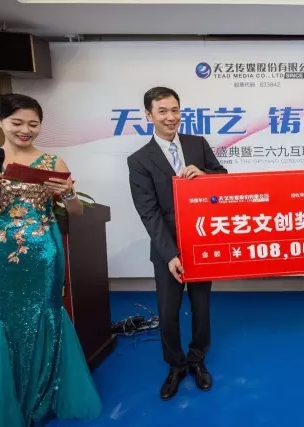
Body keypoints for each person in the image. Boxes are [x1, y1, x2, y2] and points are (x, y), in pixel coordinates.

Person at [0, 93, 102, 426]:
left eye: (33, 124)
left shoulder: (53, 162)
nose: (25, 130)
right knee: (5, 322)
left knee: (47, 316)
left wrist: (68, 193)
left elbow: (76, 212)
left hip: (43, 254)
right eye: (17, 123)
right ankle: (10, 399)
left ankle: (45, 394)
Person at [127, 86, 228, 400]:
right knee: (168, 312)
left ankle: (197, 359)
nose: (170, 117)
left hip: (202, 242)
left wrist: (205, 175)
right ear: (149, 115)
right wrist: (170, 254)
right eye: (162, 111)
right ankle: (175, 365)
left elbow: (224, 179)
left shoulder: (197, 144)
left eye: (175, 110)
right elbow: (149, 212)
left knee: (201, 307)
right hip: (166, 249)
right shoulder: (139, 160)